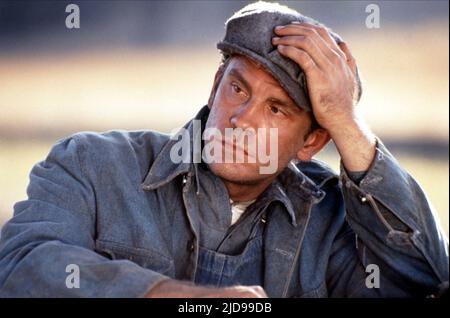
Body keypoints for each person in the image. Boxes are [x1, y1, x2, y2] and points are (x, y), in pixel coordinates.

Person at [0, 1, 447, 298]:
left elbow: (424, 280)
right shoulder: (94, 164)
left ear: (313, 140)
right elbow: (20, 262)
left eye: (276, 109)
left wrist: (348, 124)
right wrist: (186, 300)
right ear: (216, 87)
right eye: (237, 88)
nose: (241, 120)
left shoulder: (332, 223)